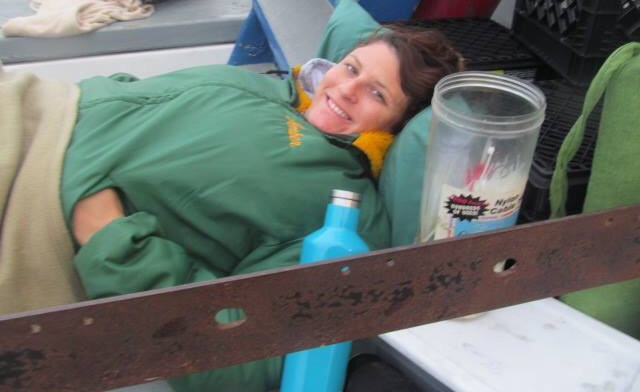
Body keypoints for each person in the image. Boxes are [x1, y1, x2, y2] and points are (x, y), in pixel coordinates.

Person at [0, 25, 462, 391]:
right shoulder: (264, 88)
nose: (346, 89)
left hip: (33, 200)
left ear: (398, 126)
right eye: (350, 67)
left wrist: (111, 238)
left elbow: (244, 353)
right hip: (32, 100)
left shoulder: (344, 213)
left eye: (377, 94)